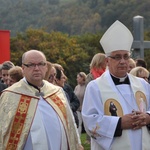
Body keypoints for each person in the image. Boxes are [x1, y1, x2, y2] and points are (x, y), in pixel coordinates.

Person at [82, 20, 150, 150]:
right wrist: (119, 124)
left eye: (126, 56)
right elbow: (90, 121)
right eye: (117, 57)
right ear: (107, 61)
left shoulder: (142, 84)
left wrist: (147, 117)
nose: (123, 61)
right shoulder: (95, 87)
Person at [0, 50, 83, 150]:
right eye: (31, 65)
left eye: (41, 64)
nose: (36, 68)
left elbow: (70, 124)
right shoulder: (10, 95)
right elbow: (3, 132)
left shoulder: (57, 92)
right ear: (23, 68)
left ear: (46, 67)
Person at [74, 72, 87, 136]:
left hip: (85, 108)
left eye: (78, 77)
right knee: (79, 124)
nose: (77, 79)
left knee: (86, 124)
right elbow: (74, 97)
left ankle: (90, 139)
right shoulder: (77, 87)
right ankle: (78, 139)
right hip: (77, 109)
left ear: (82, 78)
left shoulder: (86, 87)